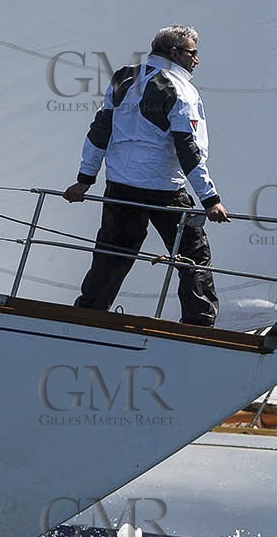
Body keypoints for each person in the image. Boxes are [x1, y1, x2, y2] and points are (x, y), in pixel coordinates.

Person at [64, 25, 229, 326]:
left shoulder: (123, 77)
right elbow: (187, 148)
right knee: (193, 256)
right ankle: (200, 323)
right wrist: (210, 199)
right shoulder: (180, 90)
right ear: (175, 53)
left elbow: (100, 129)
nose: (197, 60)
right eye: (193, 53)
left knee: (112, 254)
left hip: (120, 186)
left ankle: (88, 313)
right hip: (163, 189)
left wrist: (84, 180)